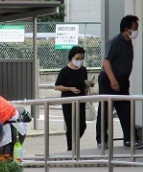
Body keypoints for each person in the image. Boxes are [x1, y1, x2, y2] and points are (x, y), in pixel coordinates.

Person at [95, 15, 143, 149]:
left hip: (122, 81)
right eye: (134, 28)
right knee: (105, 109)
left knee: (125, 110)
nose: (136, 31)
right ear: (126, 29)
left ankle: (131, 139)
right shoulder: (115, 42)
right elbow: (106, 62)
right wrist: (113, 80)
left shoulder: (128, 43)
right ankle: (101, 140)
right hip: (109, 80)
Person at [54, 46, 94, 151]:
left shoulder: (83, 70)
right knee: (70, 126)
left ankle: (74, 142)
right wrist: (69, 88)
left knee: (82, 126)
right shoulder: (65, 71)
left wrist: (88, 84)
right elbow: (57, 86)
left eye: (82, 58)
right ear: (72, 57)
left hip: (80, 101)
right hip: (68, 101)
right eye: (77, 58)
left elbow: (83, 83)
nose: (80, 61)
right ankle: (70, 148)